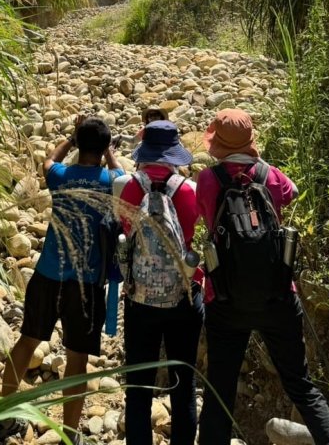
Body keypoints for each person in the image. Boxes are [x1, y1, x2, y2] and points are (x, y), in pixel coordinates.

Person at [196, 109, 329, 445]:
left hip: (224, 298)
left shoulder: (207, 181)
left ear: (215, 141)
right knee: (301, 386)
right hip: (278, 294)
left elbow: (207, 217)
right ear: (251, 140)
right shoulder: (272, 175)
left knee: (220, 389)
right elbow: (289, 195)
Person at [0, 115, 123, 443]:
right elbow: (123, 175)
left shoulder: (60, 177)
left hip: (48, 274)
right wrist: (110, 154)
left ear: (79, 146)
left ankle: (1, 417)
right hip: (85, 284)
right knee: (77, 359)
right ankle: (69, 433)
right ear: (104, 147)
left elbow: (49, 161)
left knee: (27, 340)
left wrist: (68, 138)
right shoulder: (110, 181)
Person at [114, 120, 204, 445]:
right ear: (174, 154)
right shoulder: (189, 190)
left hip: (140, 300)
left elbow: (122, 235)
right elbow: (197, 242)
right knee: (184, 387)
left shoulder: (126, 187)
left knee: (138, 388)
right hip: (183, 298)